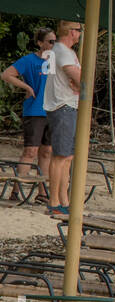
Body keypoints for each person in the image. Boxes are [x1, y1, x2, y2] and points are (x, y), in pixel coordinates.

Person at [2, 27, 55, 188]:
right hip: (35, 111)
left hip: (53, 111)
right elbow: (6, 74)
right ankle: (17, 189)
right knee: (30, 151)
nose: (54, 44)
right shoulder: (29, 60)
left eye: (55, 41)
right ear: (40, 43)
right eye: (50, 41)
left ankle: (42, 192)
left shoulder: (57, 61)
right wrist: (26, 87)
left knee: (47, 152)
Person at [42, 19, 83, 216]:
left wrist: (78, 82)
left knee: (68, 156)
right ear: (71, 32)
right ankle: (54, 201)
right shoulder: (61, 51)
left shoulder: (65, 52)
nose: (81, 33)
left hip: (68, 104)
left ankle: (64, 199)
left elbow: (78, 80)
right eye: (79, 29)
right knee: (60, 156)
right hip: (62, 105)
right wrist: (79, 82)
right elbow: (80, 78)